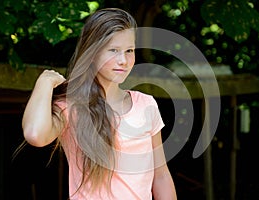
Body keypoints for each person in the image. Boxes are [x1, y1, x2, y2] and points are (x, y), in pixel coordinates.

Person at [22, 7, 177, 200]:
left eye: (129, 50)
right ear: (92, 53)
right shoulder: (72, 107)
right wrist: (44, 82)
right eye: (113, 50)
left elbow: (160, 175)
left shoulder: (146, 104)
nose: (123, 60)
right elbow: (35, 135)